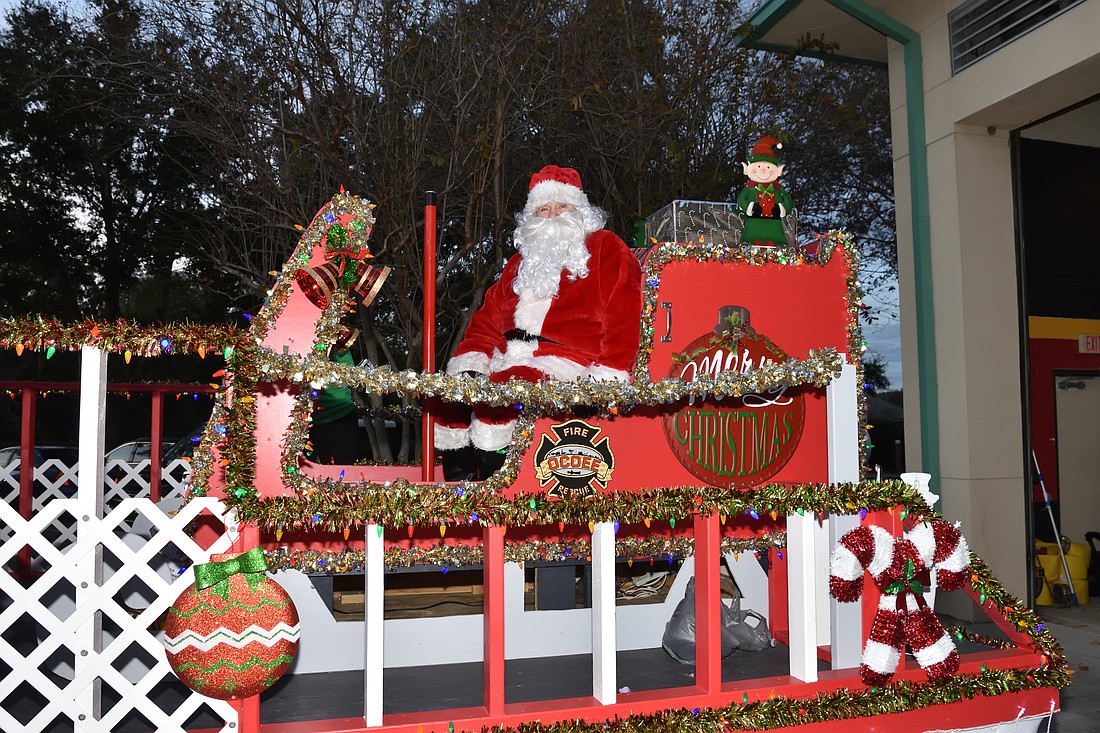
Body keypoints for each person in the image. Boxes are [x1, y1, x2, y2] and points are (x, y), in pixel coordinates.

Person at [434, 165, 643, 480]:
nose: (553, 215)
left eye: (563, 207)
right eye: (544, 209)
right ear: (531, 217)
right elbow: (488, 318)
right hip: (510, 356)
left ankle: (499, 484)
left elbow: (624, 315)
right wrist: (471, 362)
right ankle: (462, 483)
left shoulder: (605, 248)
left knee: (506, 390)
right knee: (451, 398)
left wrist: (608, 375)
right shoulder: (520, 263)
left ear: (581, 211)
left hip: (571, 362)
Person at [737, 136, 795, 247]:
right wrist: (749, 207)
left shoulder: (778, 191)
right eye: (758, 166)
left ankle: (779, 244)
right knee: (751, 234)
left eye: (768, 167)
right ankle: (748, 242)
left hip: (774, 221)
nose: (763, 170)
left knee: (776, 235)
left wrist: (783, 209)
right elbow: (741, 200)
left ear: (778, 171)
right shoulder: (749, 189)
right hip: (754, 221)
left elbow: (787, 201)